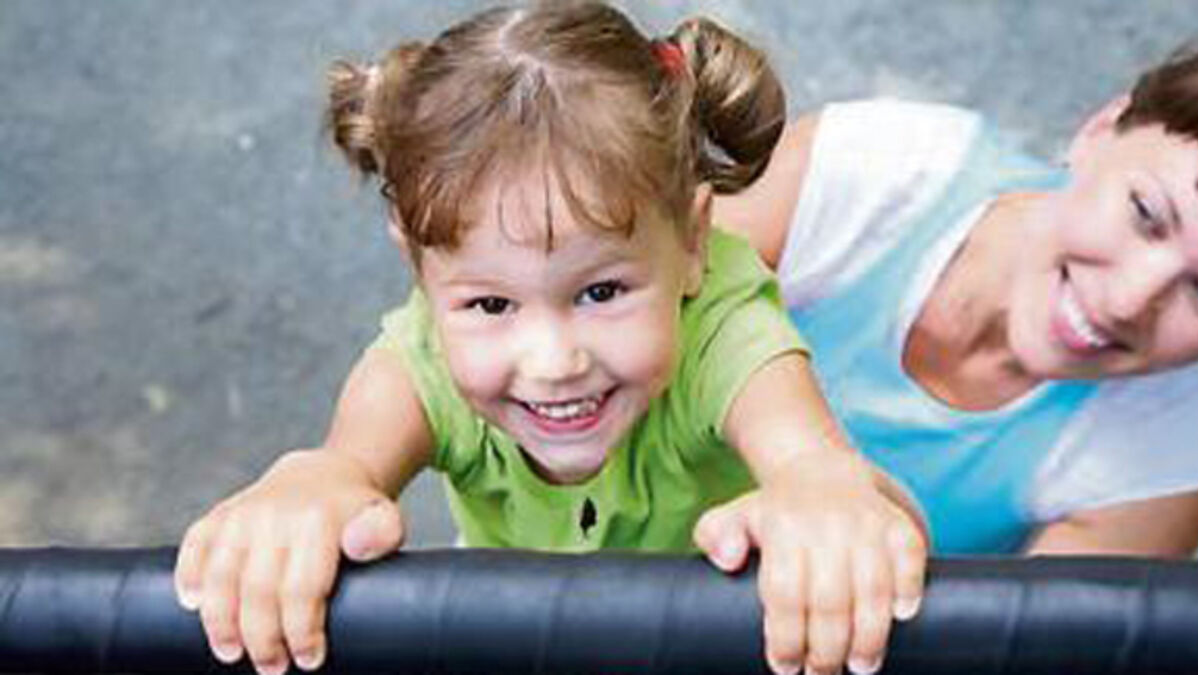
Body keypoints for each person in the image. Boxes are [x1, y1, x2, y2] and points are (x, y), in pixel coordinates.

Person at [172, 4, 928, 675]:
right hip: (523, 635)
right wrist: (305, 490)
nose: (554, 361)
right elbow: (342, 466)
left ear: (694, 242)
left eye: (601, 292)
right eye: (491, 303)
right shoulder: (421, 363)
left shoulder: (724, 331)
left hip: (727, 642)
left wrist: (822, 500)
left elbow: (812, 464)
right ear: (419, 270)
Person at [710, 40, 1198, 558]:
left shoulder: (1174, 439)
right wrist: (807, 468)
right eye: (1145, 213)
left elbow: (1044, 616)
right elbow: (651, 304)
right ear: (1100, 132)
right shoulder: (877, 168)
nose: (1127, 302)